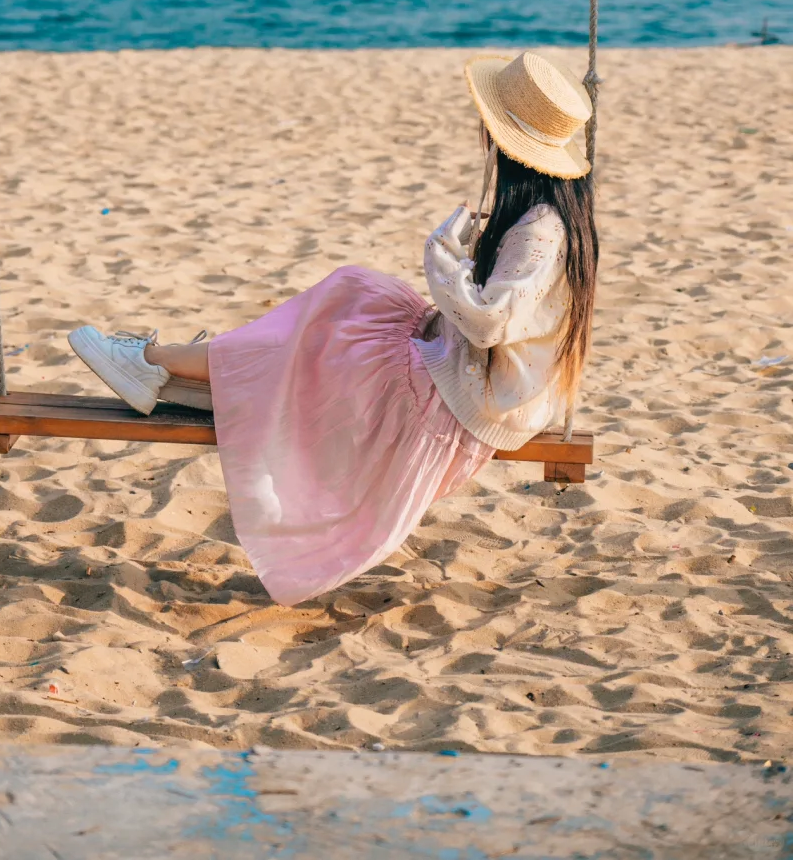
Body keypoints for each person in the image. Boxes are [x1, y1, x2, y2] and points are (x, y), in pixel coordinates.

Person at [68, 50, 598, 606]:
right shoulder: (553, 213)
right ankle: (171, 372)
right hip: (472, 373)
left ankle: (154, 361)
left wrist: (442, 252)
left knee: (335, 340)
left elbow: (490, 322)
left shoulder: (542, 228)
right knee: (352, 294)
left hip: (472, 397)